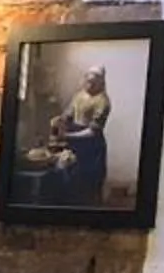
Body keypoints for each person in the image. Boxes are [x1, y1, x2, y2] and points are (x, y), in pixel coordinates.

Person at [40, 63, 114, 205]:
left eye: (93, 82)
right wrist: (59, 119)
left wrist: (67, 136)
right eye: (87, 81)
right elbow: (69, 113)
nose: (89, 85)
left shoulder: (103, 102)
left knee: (89, 180)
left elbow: (92, 131)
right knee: (71, 175)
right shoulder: (79, 95)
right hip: (74, 140)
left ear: (100, 82)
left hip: (91, 145)